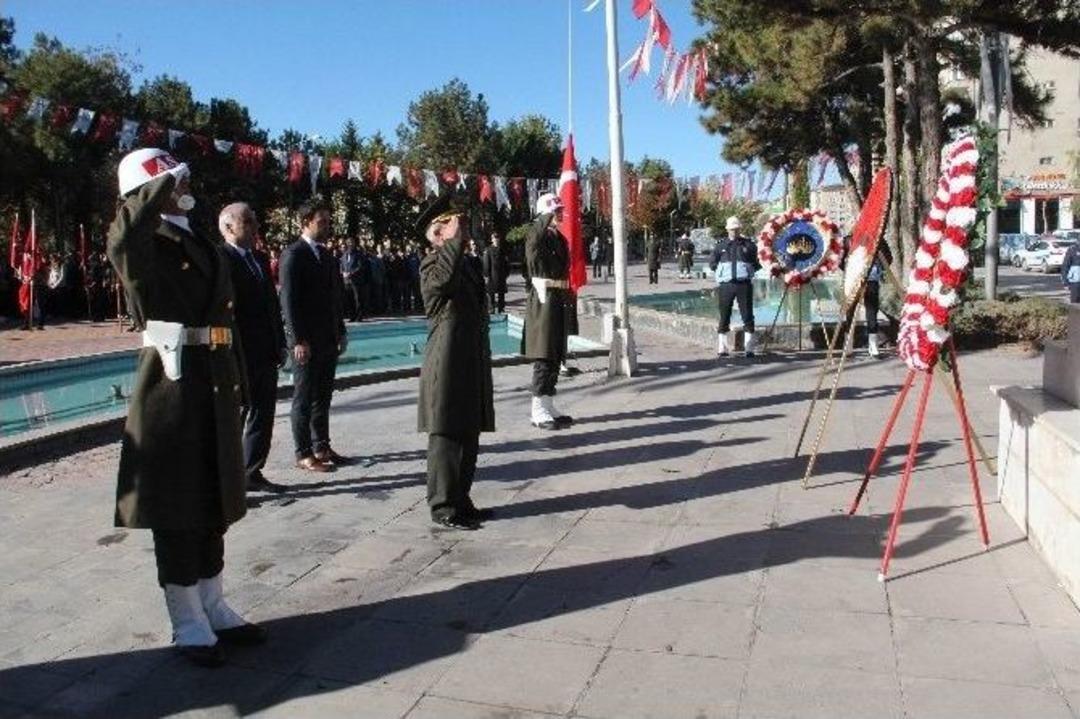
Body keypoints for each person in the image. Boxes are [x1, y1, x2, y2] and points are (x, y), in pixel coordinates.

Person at [107, 148, 265, 668]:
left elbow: (225, 320)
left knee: (214, 501)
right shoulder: (144, 240)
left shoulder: (196, 237)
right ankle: (187, 621)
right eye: (173, 181)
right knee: (178, 509)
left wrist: (239, 379)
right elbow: (122, 239)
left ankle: (214, 604)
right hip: (171, 388)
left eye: (182, 178)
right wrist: (151, 189)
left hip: (212, 381)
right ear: (146, 191)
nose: (184, 186)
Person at [417, 204, 495, 530]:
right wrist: (451, 242)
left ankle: (461, 499)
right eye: (453, 226)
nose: (462, 231)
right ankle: (443, 506)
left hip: (469, 356)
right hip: (446, 360)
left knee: (469, 431)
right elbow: (443, 284)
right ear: (438, 233)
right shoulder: (432, 263)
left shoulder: (465, 264)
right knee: (447, 433)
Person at [220, 203, 288, 494]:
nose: (255, 228)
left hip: (265, 350)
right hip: (239, 351)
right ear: (228, 227)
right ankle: (228, 480)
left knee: (263, 412)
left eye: (255, 221)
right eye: (248, 222)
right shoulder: (221, 259)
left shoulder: (259, 259)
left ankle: (252, 471)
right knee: (235, 416)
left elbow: (272, 304)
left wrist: (280, 342)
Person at [279, 200, 349, 473]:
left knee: (323, 396)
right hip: (305, 341)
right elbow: (289, 301)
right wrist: (298, 339)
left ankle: (322, 445)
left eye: (329, 221)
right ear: (306, 222)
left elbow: (335, 298)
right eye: (322, 221)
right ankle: (303, 452)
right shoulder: (293, 255)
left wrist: (340, 331)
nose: (327, 226)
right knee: (304, 397)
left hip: (327, 337)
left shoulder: (327, 255)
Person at [522, 193, 575, 429]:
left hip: (557, 298)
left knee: (555, 354)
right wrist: (544, 216)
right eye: (556, 211)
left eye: (560, 210)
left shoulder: (557, 237)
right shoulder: (537, 234)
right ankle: (537, 410)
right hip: (543, 299)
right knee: (544, 355)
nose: (560, 214)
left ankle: (547, 403)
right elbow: (534, 244)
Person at [709, 216, 761, 357]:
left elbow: (756, 263)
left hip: (744, 284)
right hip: (726, 285)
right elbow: (712, 263)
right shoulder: (720, 246)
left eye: (736, 229)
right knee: (724, 314)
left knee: (747, 315)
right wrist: (722, 273)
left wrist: (746, 271)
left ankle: (749, 348)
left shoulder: (749, 245)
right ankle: (722, 347)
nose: (734, 231)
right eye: (732, 229)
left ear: (740, 229)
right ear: (727, 230)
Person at [864, 241, 894, 358]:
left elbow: (888, 258)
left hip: (871, 279)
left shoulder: (879, 239)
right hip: (853, 278)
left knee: (872, 311)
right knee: (850, 310)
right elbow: (842, 259)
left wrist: (879, 266)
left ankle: (873, 344)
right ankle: (848, 344)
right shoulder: (850, 239)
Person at [340, 237, 366, 322]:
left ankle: (359, 316)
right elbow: (341, 265)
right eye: (349, 242)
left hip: (356, 280)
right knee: (349, 298)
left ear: (354, 244)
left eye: (352, 242)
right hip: (346, 281)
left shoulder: (358, 254)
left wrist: (351, 273)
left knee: (357, 299)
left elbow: (360, 266)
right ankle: (352, 316)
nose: (350, 244)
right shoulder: (344, 255)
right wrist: (343, 272)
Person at [483, 231, 509, 314]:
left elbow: (506, 263)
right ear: (492, 240)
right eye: (494, 238)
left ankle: (501, 309)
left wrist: (506, 273)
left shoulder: (503, 250)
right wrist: (487, 275)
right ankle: (491, 309)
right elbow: (486, 263)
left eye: (497, 238)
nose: (496, 239)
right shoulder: (488, 250)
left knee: (501, 294)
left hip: (501, 276)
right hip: (492, 275)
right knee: (491, 294)